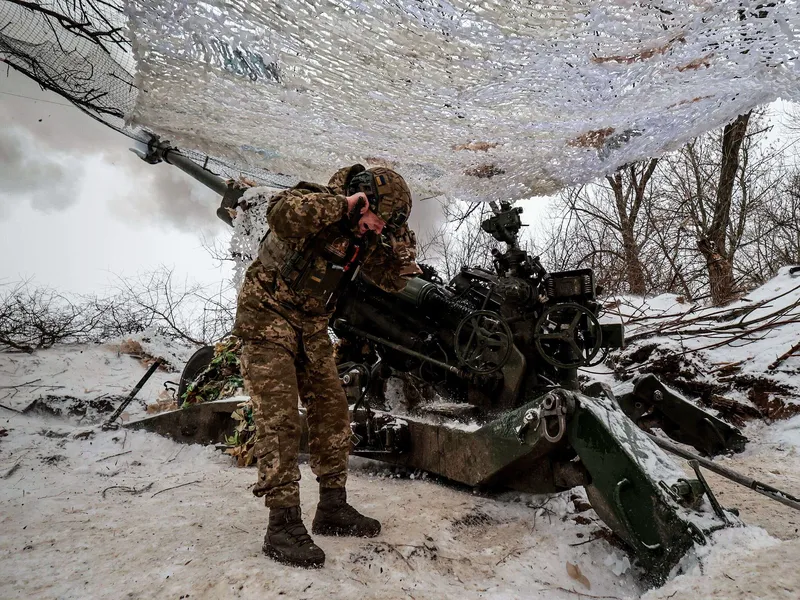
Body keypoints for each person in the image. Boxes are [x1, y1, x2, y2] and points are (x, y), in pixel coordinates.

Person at [232, 164, 421, 568]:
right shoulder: (314, 200)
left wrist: (401, 244)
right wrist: (341, 207)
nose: (374, 229)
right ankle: (282, 524)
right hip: (266, 317)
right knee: (280, 420)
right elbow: (280, 215)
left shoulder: (366, 235)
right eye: (374, 219)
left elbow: (392, 281)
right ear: (362, 199)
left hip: (311, 326)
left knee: (333, 413)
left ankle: (332, 508)